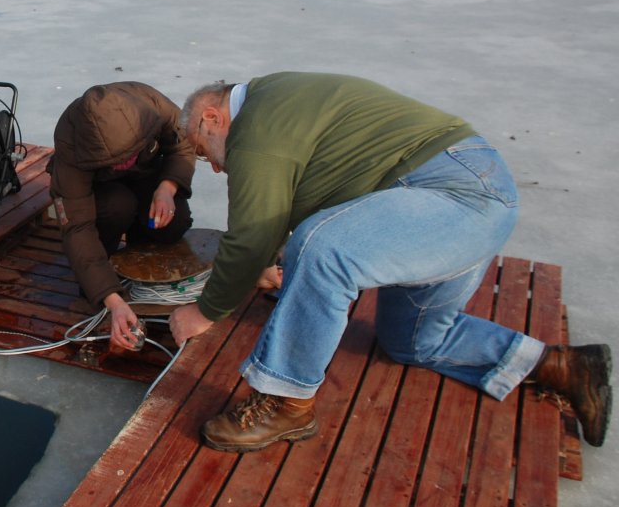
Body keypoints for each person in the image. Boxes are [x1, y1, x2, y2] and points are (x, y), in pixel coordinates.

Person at [169, 73, 611, 451]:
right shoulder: (279, 102)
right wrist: (266, 260)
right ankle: (558, 365)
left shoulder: (256, 129)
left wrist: (205, 310)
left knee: (322, 248)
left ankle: (286, 403)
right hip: (465, 207)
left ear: (213, 117)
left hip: (454, 196)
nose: (214, 168)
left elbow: (252, 233)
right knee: (412, 342)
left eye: (203, 151)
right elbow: (279, 209)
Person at [48, 82, 195, 349]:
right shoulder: (72, 145)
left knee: (176, 221)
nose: (122, 163)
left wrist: (167, 187)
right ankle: (101, 279)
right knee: (118, 205)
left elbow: (184, 145)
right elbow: (77, 228)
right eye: (115, 160)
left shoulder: (154, 107)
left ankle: (138, 254)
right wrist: (112, 300)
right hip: (103, 191)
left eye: (129, 154)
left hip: (148, 175)